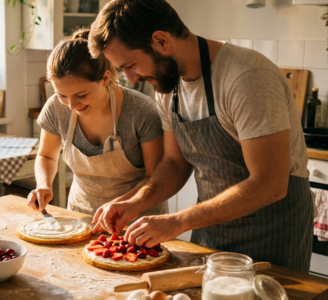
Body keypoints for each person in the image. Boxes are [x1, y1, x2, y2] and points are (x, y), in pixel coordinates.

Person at [88, 0, 314, 272]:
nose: (132, 78)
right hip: (210, 228)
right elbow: (174, 163)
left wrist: (178, 221)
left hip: (272, 233)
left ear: (161, 41)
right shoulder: (167, 87)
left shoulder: (246, 77)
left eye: (131, 65)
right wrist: (136, 202)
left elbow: (270, 184)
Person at [27, 29, 168, 220]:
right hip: (81, 215)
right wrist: (43, 185)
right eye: (62, 95)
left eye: (81, 95)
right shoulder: (55, 108)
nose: (72, 105)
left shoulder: (141, 111)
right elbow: (46, 156)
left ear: (105, 78)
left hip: (137, 220)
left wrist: (120, 204)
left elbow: (154, 177)